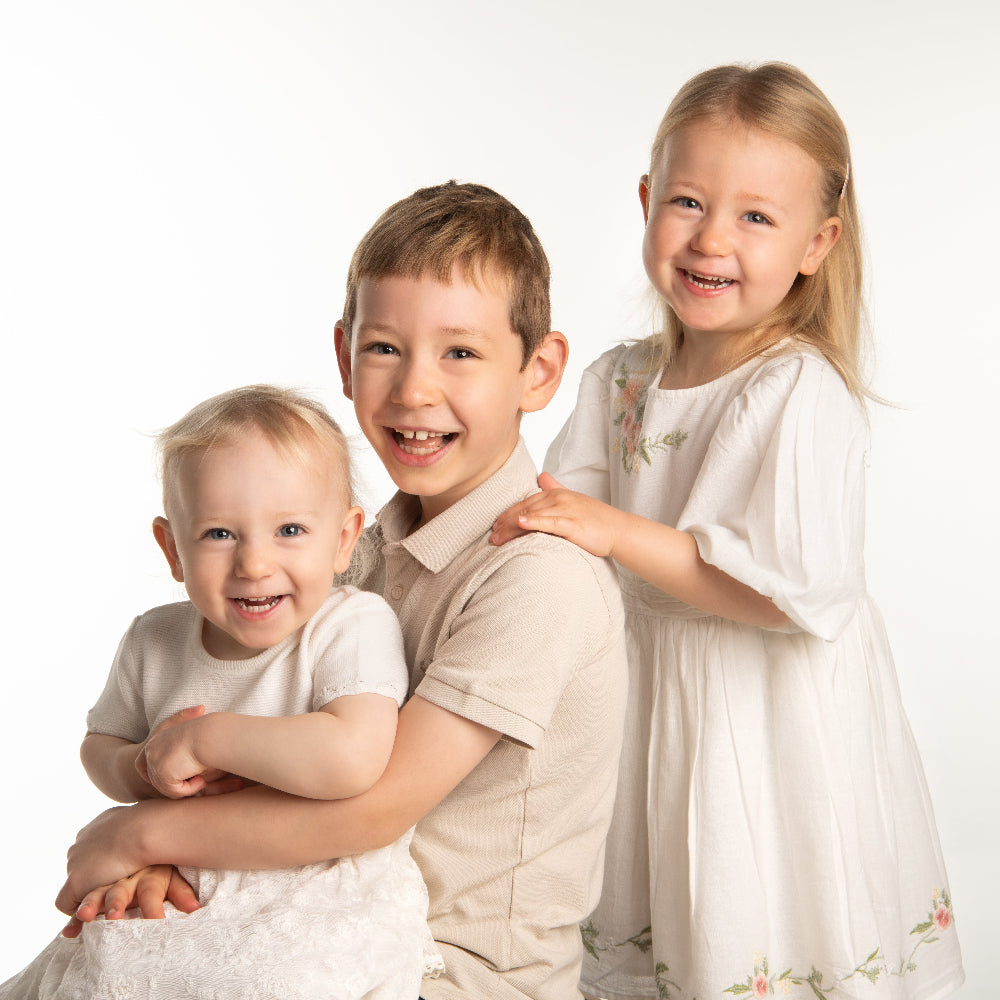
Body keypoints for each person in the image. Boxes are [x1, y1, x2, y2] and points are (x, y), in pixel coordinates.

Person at [53, 182, 628, 1000]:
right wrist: (167, 860)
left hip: (451, 968)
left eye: (459, 353)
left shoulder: (539, 575)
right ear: (344, 357)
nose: (414, 390)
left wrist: (136, 830)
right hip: (295, 911)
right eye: (385, 348)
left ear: (538, 372)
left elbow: (371, 808)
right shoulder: (349, 552)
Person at [490, 63, 965, 1000]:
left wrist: (611, 530)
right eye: (689, 202)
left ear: (817, 242)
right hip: (648, 698)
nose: (711, 239)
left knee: (757, 905)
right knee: (663, 910)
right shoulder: (620, 379)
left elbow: (775, 592)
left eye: (756, 217)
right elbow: (554, 522)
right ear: (645, 201)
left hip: (764, 710)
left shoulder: (796, 390)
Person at [2, 385, 439, 1000]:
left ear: (344, 541)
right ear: (171, 547)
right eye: (218, 534)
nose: (254, 564)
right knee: (92, 973)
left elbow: (352, 759)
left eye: (289, 529)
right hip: (178, 869)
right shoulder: (155, 638)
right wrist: (141, 766)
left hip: (308, 881)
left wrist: (206, 740)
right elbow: (100, 744)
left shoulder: (351, 625)